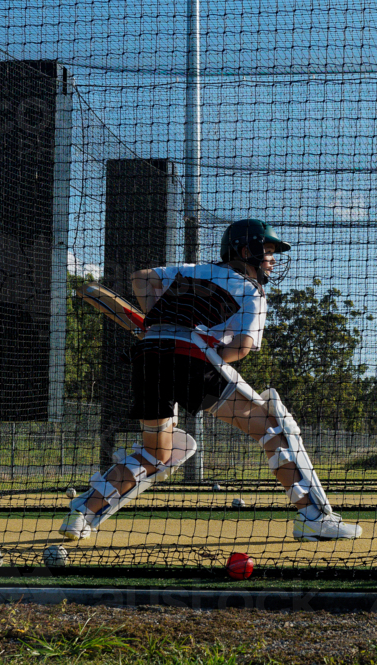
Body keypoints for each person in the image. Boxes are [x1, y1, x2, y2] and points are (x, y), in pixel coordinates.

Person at [59, 218, 361, 543]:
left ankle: (82, 514)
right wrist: (210, 346)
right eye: (269, 252)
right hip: (191, 361)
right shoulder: (252, 291)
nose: (272, 260)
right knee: (272, 425)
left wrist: (158, 321)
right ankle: (315, 518)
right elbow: (240, 348)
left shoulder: (192, 270)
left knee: (158, 452)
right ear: (247, 251)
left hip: (148, 358)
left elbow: (142, 278)